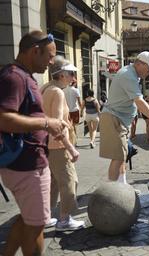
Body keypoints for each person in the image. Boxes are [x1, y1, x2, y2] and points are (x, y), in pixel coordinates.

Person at [0, 30, 68, 256]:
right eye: (49, 56)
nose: (52, 62)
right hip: (27, 165)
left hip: (26, 162)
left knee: (28, 219)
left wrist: (48, 125)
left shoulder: (21, 75)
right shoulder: (15, 77)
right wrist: (46, 123)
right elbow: (4, 118)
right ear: (34, 51)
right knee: (37, 224)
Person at [99, 51, 149, 184]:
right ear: (139, 64)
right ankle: (112, 193)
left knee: (123, 155)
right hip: (114, 118)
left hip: (120, 119)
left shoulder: (133, 74)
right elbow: (140, 102)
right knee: (118, 157)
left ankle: (122, 188)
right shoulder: (128, 75)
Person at [41, 55, 85, 231]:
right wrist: (71, 149)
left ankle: (45, 217)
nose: (74, 78)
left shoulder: (45, 88)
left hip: (46, 145)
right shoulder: (58, 92)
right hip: (58, 147)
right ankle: (64, 220)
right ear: (61, 75)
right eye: (71, 74)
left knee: (52, 183)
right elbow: (57, 126)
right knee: (69, 182)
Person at [63, 78, 82, 145]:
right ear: (75, 83)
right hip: (75, 110)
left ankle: (70, 140)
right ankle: (74, 140)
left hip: (67, 111)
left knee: (68, 125)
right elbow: (79, 102)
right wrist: (82, 110)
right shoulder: (76, 90)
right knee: (74, 126)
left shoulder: (64, 90)